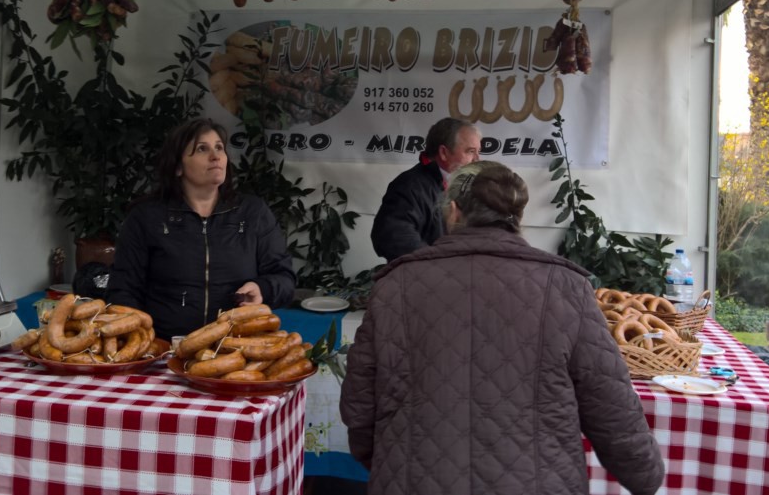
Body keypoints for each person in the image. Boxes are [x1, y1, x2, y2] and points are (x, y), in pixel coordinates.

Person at [341, 161, 665, 495]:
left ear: (453, 211)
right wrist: (646, 475)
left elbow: (359, 402)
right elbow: (610, 402)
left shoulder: (395, 284)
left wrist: (383, 459)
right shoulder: (565, 286)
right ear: (518, 217)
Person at [107, 118, 295, 340]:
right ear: (178, 167)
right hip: (165, 347)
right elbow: (123, 290)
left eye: (219, 148)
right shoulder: (146, 217)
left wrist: (262, 288)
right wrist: (139, 341)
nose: (215, 156)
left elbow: (285, 278)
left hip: (238, 350)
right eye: (201, 149)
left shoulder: (253, 212)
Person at [370, 117, 481, 261]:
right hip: (424, 280)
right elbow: (392, 237)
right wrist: (439, 265)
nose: (477, 159)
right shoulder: (409, 186)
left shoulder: (471, 186)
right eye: (471, 151)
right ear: (443, 152)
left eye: (478, 151)